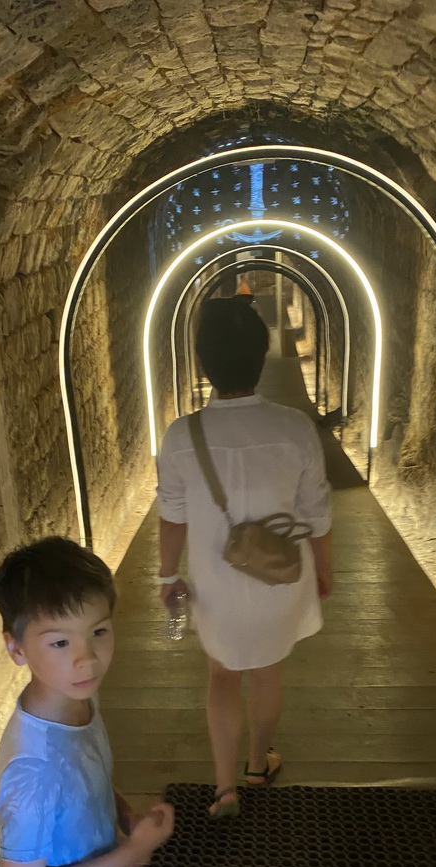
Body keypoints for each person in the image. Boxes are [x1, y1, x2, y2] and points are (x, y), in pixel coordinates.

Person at [156, 297, 332, 820]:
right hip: (282, 577)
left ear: (203, 363)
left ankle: (225, 787)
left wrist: (167, 576)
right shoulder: (295, 428)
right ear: (262, 356)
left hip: (216, 585)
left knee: (222, 677)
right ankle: (259, 764)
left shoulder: (180, 437)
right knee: (268, 672)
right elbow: (318, 513)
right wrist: (325, 569)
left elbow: (172, 517)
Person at [0, 537, 174, 867]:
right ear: (16, 647)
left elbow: (87, 770)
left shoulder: (74, 702)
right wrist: (130, 855)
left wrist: (118, 811)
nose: (86, 658)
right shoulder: (33, 775)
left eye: (98, 631)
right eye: (59, 641)